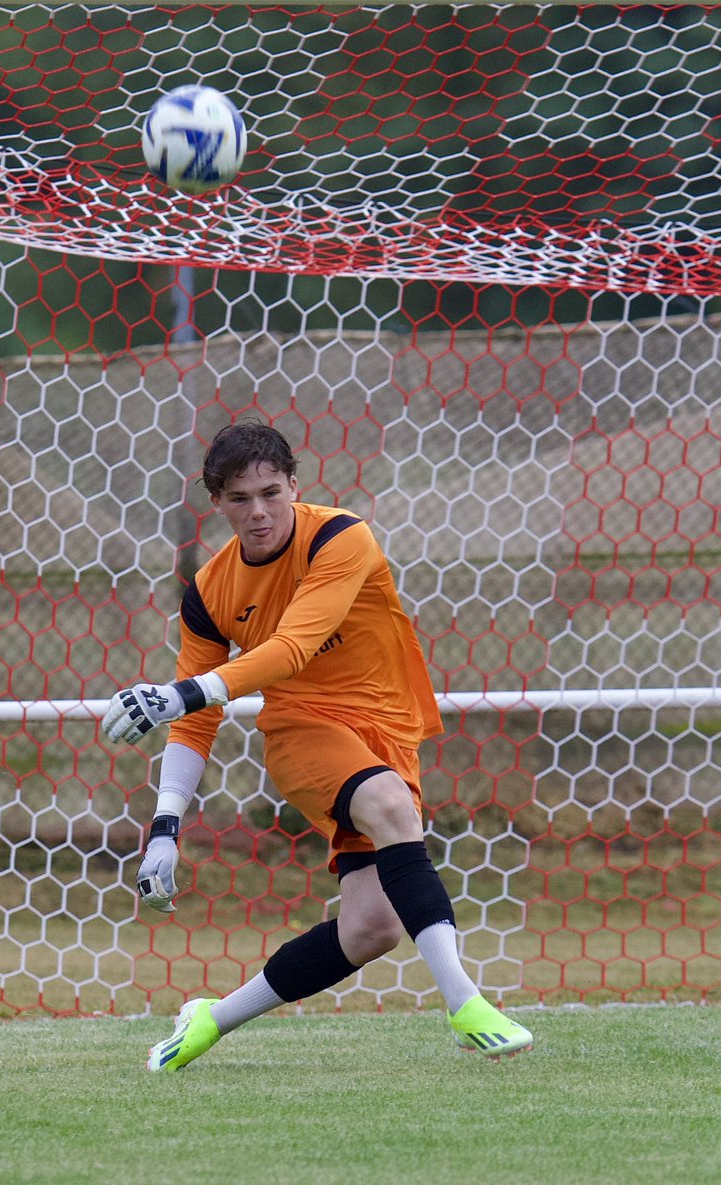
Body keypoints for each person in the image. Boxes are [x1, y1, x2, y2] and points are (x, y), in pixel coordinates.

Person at [103, 421, 533, 1069]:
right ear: (214, 501)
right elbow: (196, 722)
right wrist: (166, 825)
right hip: (302, 731)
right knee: (392, 808)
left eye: (271, 493)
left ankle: (208, 1021)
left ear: (294, 486)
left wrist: (186, 692)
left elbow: (292, 645)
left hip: (387, 730)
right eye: (239, 499)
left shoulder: (339, 535)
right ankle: (466, 1004)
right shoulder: (209, 592)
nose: (258, 512)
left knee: (371, 929)